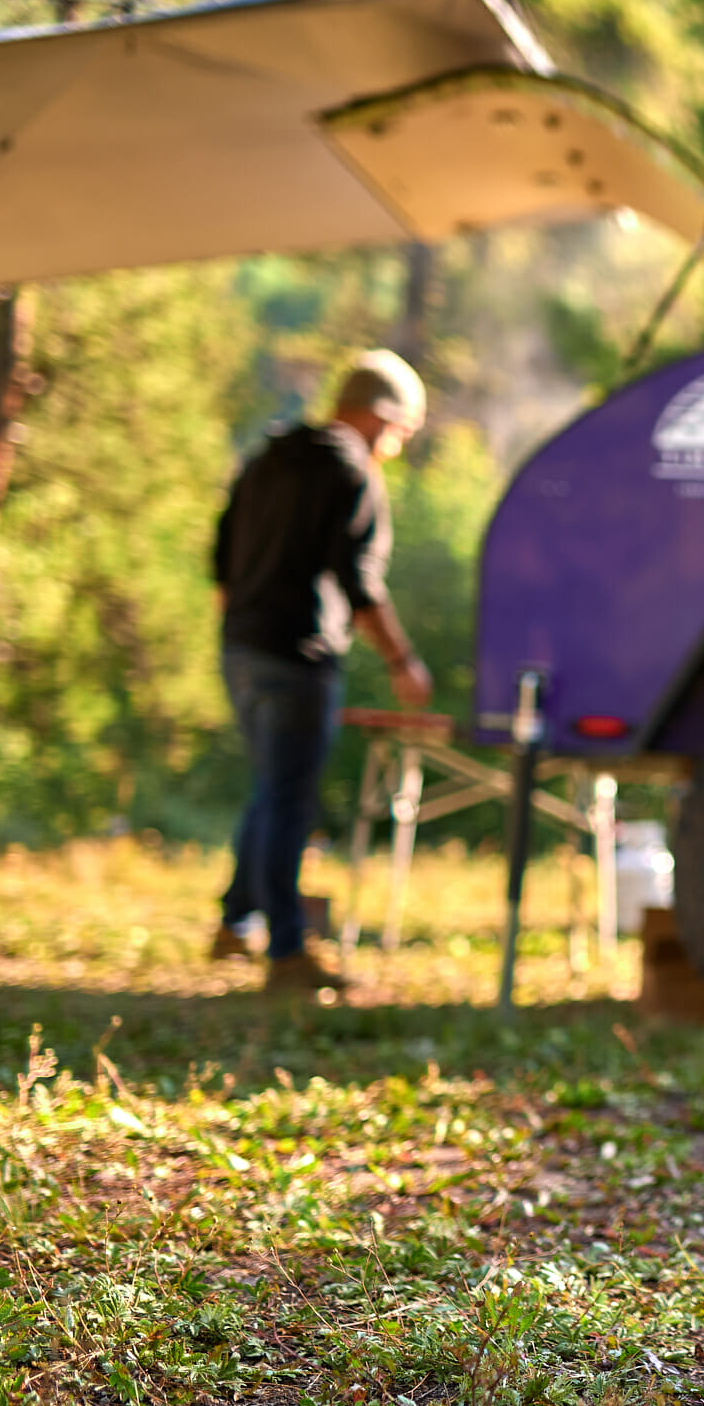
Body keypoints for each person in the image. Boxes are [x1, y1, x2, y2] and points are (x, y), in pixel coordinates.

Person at [209, 350, 433, 995]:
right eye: (404, 434)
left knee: (270, 787)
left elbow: (221, 565)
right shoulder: (351, 470)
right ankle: (286, 950)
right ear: (384, 418)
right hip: (296, 659)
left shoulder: (265, 459)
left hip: (241, 649)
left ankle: (235, 921)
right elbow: (359, 582)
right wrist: (401, 661)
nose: (397, 447)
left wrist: (247, 628)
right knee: (288, 797)